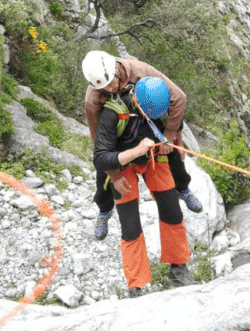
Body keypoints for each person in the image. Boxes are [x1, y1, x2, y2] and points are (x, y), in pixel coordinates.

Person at [82, 51, 202, 241]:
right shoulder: (94, 98)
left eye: (112, 82)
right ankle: (104, 211)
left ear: (115, 68)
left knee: (173, 155)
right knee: (103, 172)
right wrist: (114, 174)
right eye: (106, 88)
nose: (112, 89)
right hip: (115, 132)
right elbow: (98, 139)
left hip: (148, 122)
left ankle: (183, 189)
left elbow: (178, 97)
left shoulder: (141, 71)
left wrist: (171, 133)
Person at [93, 76, 196, 296]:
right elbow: (100, 159)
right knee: (130, 225)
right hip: (122, 167)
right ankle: (136, 285)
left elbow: (176, 126)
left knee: (172, 211)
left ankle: (178, 269)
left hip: (154, 158)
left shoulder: (163, 106)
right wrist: (136, 152)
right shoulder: (112, 114)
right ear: (138, 103)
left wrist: (173, 142)